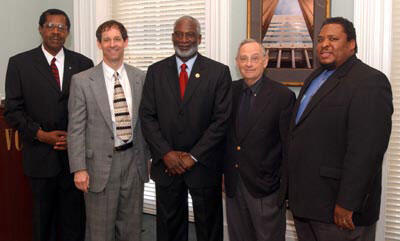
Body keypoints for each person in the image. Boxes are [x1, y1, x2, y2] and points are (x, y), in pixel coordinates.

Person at [284, 17, 393, 241]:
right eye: (321, 39)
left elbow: (367, 150)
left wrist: (347, 203)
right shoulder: (314, 77)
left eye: (333, 39)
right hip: (306, 205)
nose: (324, 44)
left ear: (351, 44)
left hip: (338, 210)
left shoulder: (370, 82)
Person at [139, 15, 232, 241]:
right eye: (179, 34)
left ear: (199, 38)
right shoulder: (155, 71)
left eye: (189, 34)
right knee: (169, 229)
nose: (183, 39)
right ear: (172, 37)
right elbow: (147, 116)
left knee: (209, 229)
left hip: (203, 166)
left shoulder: (218, 72)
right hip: (166, 165)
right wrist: (166, 154)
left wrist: (193, 156)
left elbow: (221, 121)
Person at [4, 8, 93, 241]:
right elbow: (13, 110)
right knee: (43, 221)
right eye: (51, 26)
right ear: (40, 29)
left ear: (68, 32)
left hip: (75, 160)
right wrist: (41, 135)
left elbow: (92, 111)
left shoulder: (84, 63)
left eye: (62, 27)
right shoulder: (19, 63)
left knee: (74, 221)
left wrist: (73, 140)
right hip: (39, 156)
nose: (56, 32)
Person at [67, 20, 149, 241]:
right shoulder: (82, 81)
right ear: (99, 44)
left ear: (125, 42)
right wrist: (79, 169)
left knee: (132, 230)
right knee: (99, 232)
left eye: (117, 39)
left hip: (134, 163)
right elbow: (75, 129)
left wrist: (149, 158)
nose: (112, 44)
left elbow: (147, 123)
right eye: (107, 40)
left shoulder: (141, 78)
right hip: (98, 169)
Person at [224, 39, 295, 241]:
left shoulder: (283, 96)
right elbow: (225, 137)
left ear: (265, 61)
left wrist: (284, 188)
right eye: (244, 59)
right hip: (234, 184)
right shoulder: (229, 91)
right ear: (237, 62)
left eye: (255, 58)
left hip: (266, 187)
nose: (249, 64)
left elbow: (288, 147)